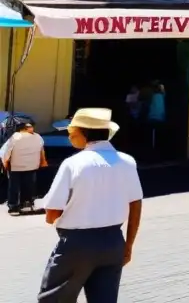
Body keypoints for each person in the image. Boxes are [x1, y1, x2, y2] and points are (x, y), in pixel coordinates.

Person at [38, 108, 143, 303]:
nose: (69, 138)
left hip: (77, 244)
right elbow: (136, 204)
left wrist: (56, 220)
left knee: (54, 299)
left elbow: (52, 212)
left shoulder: (73, 164)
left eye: (71, 133)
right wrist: (128, 245)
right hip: (113, 241)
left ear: (84, 133)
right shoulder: (128, 162)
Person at [1, 121, 47, 215]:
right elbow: (42, 151)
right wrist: (42, 162)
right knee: (28, 186)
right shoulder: (38, 137)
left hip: (16, 166)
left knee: (14, 187)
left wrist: (5, 162)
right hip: (32, 166)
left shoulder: (16, 136)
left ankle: (13, 207)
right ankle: (25, 204)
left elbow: (7, 151)